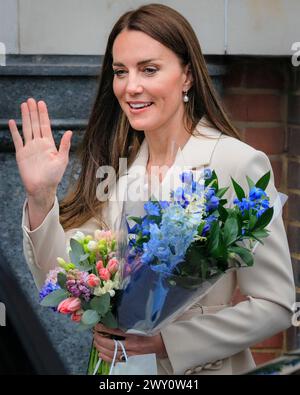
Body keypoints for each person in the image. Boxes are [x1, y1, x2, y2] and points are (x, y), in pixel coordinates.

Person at [8, 3, 295, 375]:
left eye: (149, 69)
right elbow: (66, 279)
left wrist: (166, 343)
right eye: (120, 72)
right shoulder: (118, 166)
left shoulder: (236, 163)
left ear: (187, 76)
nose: (131, 87)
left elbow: (276, 305)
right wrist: (41, 195)